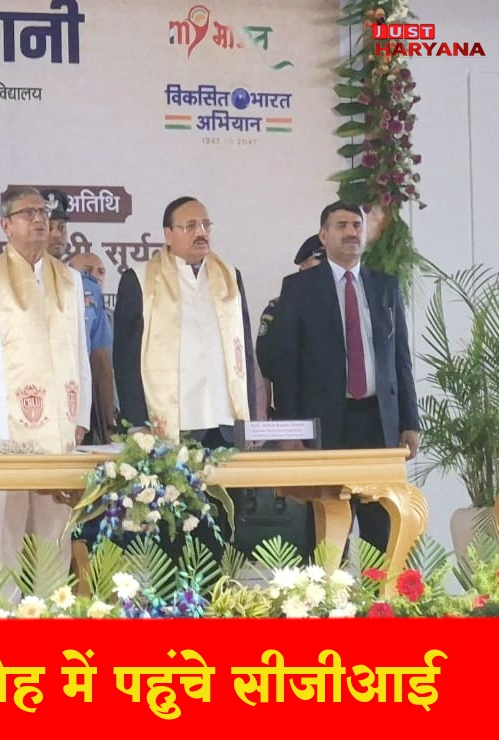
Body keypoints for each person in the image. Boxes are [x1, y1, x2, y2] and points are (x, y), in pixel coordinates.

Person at [268, 201, 421, 553]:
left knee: (380, 528)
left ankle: (379, 590)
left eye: (356, 225)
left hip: (377, 423)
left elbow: (400, 359)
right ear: (323, 236)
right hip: (325, 424)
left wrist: (409, 421)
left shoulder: (385, 286)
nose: (351, 232)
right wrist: (292, 430)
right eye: (341, 226)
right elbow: (287, 366)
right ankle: (324, 589)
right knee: (326, 528)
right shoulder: (299, 288)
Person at [111, 196, 256, 553]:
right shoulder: (139, 280)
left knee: (222, 524)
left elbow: (244, 351)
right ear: (168, 234)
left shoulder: (229, 277)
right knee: (172, 527)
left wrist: (249, 419)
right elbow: (125, 359)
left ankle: (217, 587)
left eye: (205, 225)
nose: (200, 232)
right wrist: (137, 422)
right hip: (169, 427)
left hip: (222, 423)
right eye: (190, 226)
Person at [0, 186, 91, 570]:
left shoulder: (69, 279)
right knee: (6, 533)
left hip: (60, 427)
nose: (38, 219)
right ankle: (4, 606)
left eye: (42, 212)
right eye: (28, 213)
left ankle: (53, 603)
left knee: (55, 532)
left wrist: (81, 415)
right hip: (0, 428)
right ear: (6, 225)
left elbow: (79, 351)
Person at [256, 235, 324, 418]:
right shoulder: (278, 310)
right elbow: (264, 370)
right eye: (320, 258)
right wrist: (261, 418)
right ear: (303, 266)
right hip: (295, 416)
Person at [65, 250, 116, 444]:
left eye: (101, 272)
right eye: (86, 272)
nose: (95, 278)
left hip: (95, 401)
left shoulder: (112, 315)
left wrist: (109, 422)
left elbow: (103, 364)